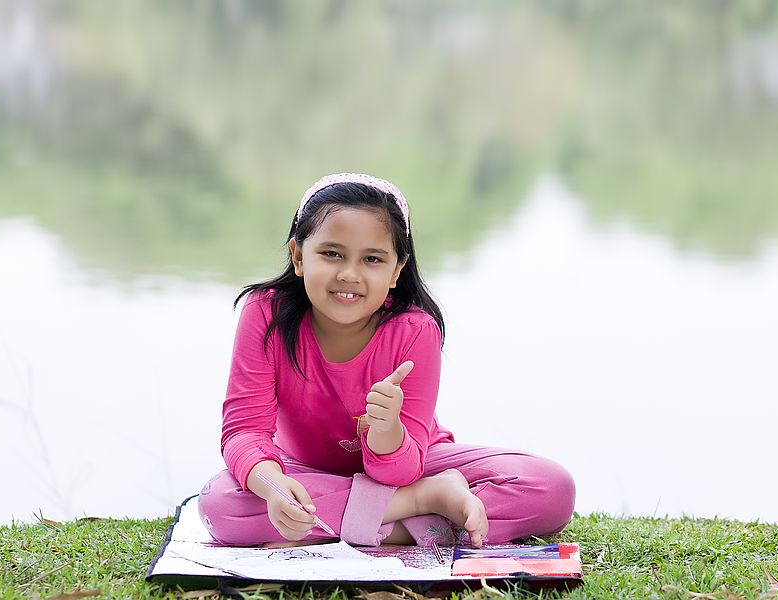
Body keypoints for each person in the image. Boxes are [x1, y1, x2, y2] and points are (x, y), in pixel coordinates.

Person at [198, 173, 575, 548]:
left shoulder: (415, 330)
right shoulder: (265, 313)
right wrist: (274, 486)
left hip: (412, 464)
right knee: (221, 505)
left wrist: (386, 431)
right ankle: (423, 507)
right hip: (306, 470)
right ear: (298, 256)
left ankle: (345, 527)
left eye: (373, 259)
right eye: (331, 254)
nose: (349, 274)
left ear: (396, 270)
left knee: (550, 487)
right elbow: (243, 430)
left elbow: (405, 467)